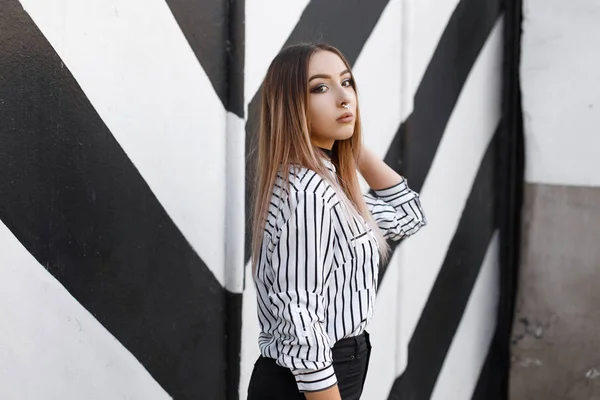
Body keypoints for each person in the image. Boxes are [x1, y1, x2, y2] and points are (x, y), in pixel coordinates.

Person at [247, 43, 426, 400]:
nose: (345, 98)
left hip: (340, 363)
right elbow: (299, 318)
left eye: (347, 82)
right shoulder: (309, 193)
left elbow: (409, 215)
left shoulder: (330, 186)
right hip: (311, 379)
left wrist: (351, 142)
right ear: (291, 107)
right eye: (321, 88)